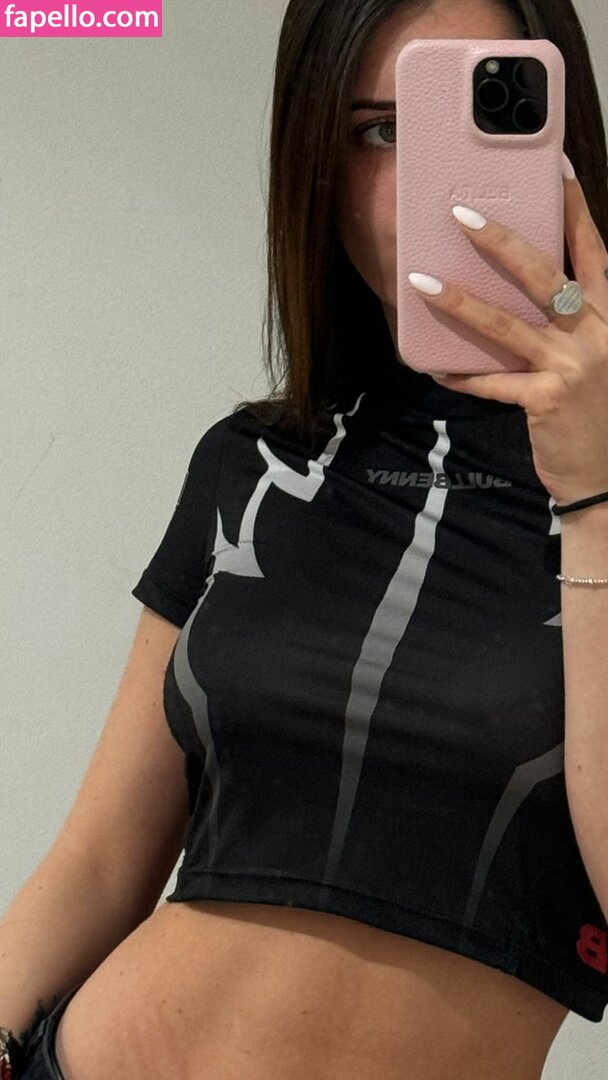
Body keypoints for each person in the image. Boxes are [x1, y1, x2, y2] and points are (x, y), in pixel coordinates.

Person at [2, 1, 608, 1078]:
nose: (426, 193)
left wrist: (594, 494)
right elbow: (95, 866)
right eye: (377, 131)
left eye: (470, 125)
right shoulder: (253, 462)